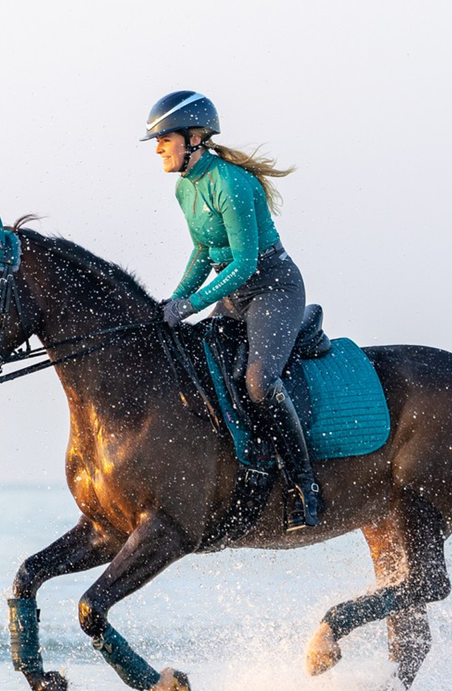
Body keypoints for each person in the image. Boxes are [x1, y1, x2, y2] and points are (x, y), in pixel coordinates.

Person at [141, 90, 321, 529]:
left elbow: (244, 264)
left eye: (165, 139)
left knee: (258, 381)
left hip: (272, 288)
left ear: (195, 138)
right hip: (233, 292)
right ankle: (245, 464)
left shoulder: (232, 183)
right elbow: (204, 251)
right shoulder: (186, 188)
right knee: (199, 364)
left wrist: (192, 304)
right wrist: (175, 298)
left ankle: (304, 486)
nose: (160, 148)